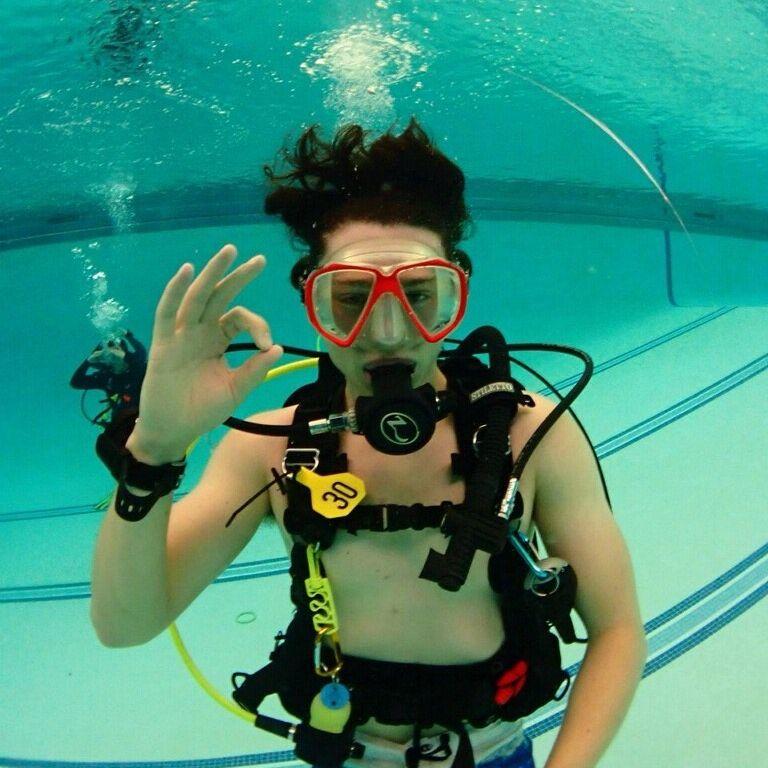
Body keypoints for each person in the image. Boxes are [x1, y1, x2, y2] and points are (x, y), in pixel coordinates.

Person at [90, 119, 647, 768]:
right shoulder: (270, 449)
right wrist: (153, 450)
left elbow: (616, 630)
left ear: (457, 292)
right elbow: (124, 625)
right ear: (312, 303)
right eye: (351, 299)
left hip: (495, 749)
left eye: (419, 295)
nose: (387, 333)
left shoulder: (531, 434)